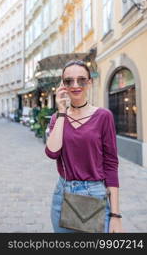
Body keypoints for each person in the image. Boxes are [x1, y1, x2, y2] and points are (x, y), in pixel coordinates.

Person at [45, 60, 123, 233]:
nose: (75, 85)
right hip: (63, 193)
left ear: (90, 82)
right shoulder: (57, 118)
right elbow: (52, 152)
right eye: (68, 81)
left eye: (81, 80)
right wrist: (61, 112)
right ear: (62, 85)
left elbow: (111, 165)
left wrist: (116, 215)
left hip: (93, 193)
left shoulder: (103, 116)